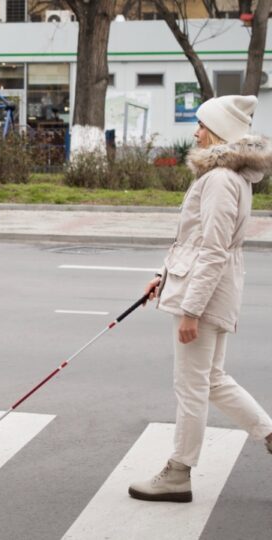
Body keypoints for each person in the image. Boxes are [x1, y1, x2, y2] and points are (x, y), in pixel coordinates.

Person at [128, 95, 272, 503]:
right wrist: (164, 275)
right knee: (211, 380)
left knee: (190, 386)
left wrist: (190, 309)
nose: (196, 132)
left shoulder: (221, 180)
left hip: (205, 296)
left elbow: (213, 249)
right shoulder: (226, 176)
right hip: (207, 288)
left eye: (202, 125)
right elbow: (195, 242)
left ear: (220, 132)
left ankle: (178, 473)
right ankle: (270, 434)